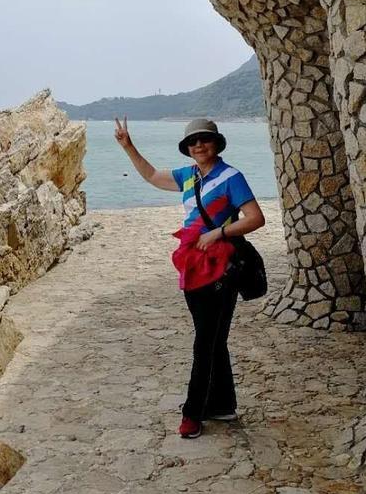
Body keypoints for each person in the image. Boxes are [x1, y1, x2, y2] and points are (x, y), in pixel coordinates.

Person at [114, 115, 265, 439]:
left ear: (216, 144)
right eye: (192, 142)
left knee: (205, 341)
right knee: (212, 338)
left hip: (221, 265)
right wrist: (128, 146)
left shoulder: (231, 177)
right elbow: (152, 175)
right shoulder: (189, 176)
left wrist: (218, 232)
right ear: (187, 148)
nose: (199, 145)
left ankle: (192, 414)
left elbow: (255, 218)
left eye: (204, 140)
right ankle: (222, 405)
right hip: (193, 264)